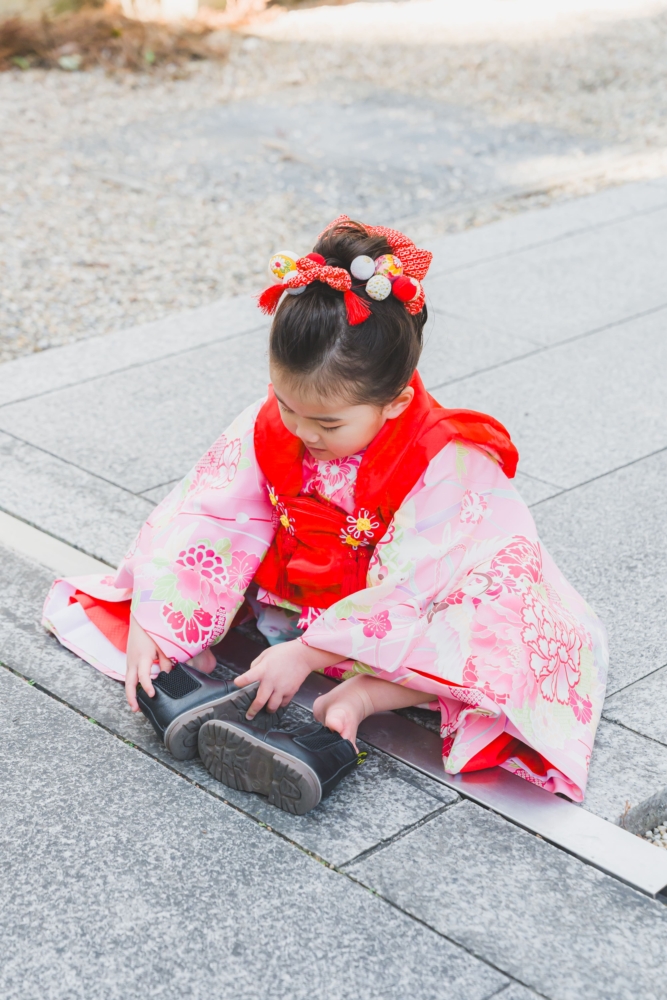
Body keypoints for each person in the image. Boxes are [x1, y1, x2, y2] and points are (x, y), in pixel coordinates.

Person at [43, 216, 608, 814]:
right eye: (288, 407)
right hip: (304, 604)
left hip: (408, 602)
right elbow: (209, 515)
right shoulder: (277, 424)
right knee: (175, 591)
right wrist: (160, 623)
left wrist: (312, 653)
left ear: (396, 402)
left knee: (507, 637)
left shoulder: (442, 457)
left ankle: (365, 695)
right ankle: (215, 672)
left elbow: (421, 582)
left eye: (328, 424)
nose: (302, 432)